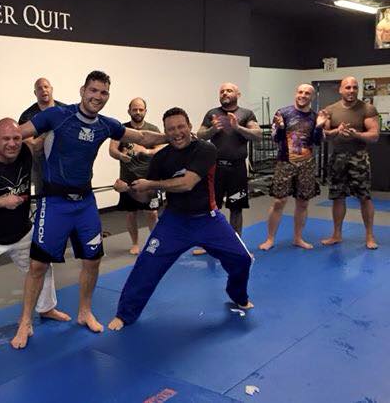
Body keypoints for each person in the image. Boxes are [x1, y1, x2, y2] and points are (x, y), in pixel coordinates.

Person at [0, 71, 167, 348]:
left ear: (108, 96)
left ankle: (84, 312)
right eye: (93, 90)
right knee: (38, 265)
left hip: (85, 203)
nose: (97, 96)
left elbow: (142, 135)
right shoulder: (57, 115)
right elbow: (15, 133)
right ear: (82, 91)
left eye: (103, 92)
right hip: (54, 202)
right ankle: (25, 322)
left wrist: (174, 136)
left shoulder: (106, 125)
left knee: (92, 260)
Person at [108, 107, 253, 331]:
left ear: (189, 126)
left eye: (180, 127)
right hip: (174, 222)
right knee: (146, 266)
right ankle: (125, 314)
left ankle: (238, 295)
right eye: (171, 129)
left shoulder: (206, 149)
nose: (177, 133)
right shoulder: (161, 158)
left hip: (208, 219)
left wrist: (151, 183)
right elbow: (146, 196)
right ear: (165, 132)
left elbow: (187, 183)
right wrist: (128, 189)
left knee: (242, 259)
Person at [0, 118, 69, 363]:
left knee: (42, 265)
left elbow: (41, 136)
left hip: (20, 231)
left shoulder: (26, 150)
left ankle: (46, 307)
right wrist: (1, 201)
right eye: (6, 139)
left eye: (16, 138)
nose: (12, 144)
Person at [258, 84, 327, 251]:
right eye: (300, 92)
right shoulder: (283, 113)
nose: (303, 95)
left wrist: (319, 127)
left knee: (303, 202)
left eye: (307, 93)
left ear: (312, 97)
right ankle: (270, 238)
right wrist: (281, 128)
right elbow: (275, 139)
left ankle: (298, 238)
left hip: (307, 164)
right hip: (285, 162)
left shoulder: (315, 116)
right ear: (296, 94)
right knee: (279, 201)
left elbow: (317, 142)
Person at [196, 83, 262, 249]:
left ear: (238, 94)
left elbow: (257, 135)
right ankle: (211, 243)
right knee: (212, 208)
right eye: (222, 91)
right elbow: (200, 135)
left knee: (236, 208)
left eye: (229, 90)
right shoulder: (212, 113)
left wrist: (237, 127)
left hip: (237, 169)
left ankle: (235, 245)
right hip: (215, 169)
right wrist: (213, 129)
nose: (225, 93)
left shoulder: (246, 114)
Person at [321, 76, 380, 249]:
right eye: (348, 87)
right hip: (337, 157)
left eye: (355, 87)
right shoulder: (330, 110)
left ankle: (369, 236)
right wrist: (336, 131)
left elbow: (374, 135)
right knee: (338, 197)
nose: (351, 90)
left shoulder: (367, 108)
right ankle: (336, 234)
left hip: (359, 157)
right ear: (340, 89)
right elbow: (324, 135)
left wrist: (357, 135)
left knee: (364, 196)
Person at [109, 97, 163, 254]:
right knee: (131, 213)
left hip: (149, 180)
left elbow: (162, 148)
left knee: (152, 213)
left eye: (141, 109)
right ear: (129, 111)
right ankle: (135, 244)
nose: (138, 112)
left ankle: (155, 242)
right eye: (135, 109)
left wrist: (146, 151)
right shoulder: (121, 129)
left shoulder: (152, 129)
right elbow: (112, 150)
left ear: (145, 111)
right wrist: (122, 156)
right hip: (127, 179)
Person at [18, 78, 66, 195]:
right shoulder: (27, 116)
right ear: (35, 93)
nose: (44, 90)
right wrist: (49, 133)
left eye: (46, 87)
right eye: (39, 88)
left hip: (64, 161)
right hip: (40, 165)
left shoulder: (65, 110)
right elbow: (31, 146)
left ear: (51, 89)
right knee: (43, 195)